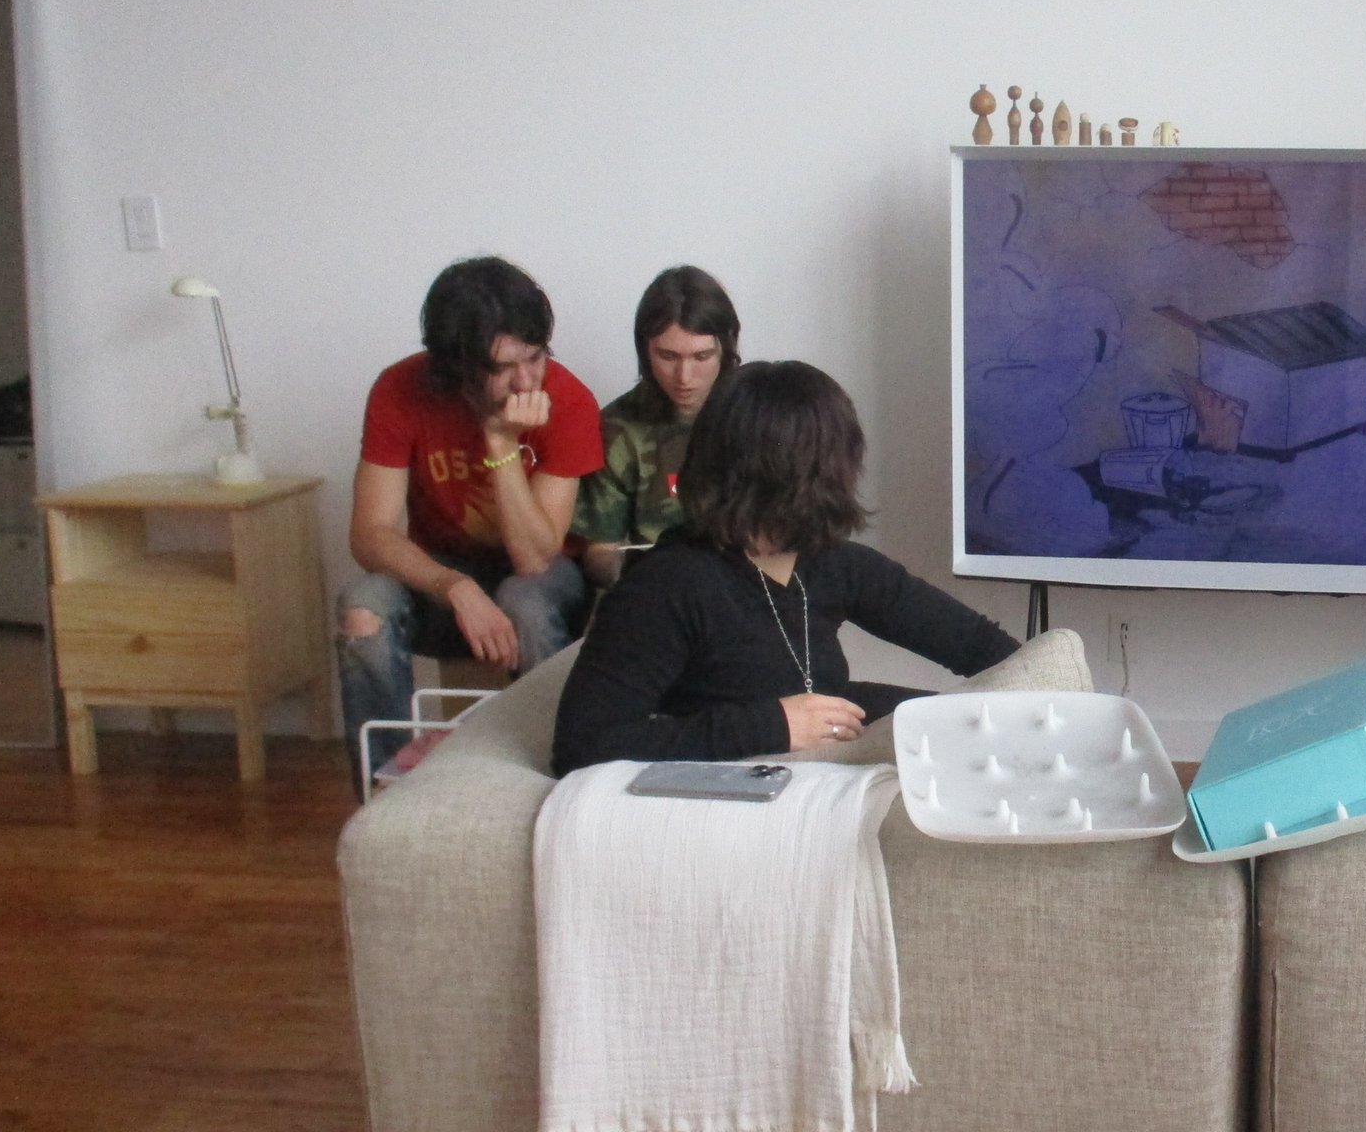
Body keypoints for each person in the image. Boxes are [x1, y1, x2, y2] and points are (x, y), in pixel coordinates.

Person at [553, 360, 1019, 772]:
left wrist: (1023, 710)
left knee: (962, 728)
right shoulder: (667, 586)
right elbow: (582, 744)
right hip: (742, 799)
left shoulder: (830, 561)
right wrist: (772, 725)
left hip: (826, 769)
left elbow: (983, 646)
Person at [338, 256, 603, 759]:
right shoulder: (399, 390)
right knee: (363, 608)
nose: (526, 382)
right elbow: (369, 535)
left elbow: (535, 559)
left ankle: (554, 770)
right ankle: (389, 786)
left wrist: (501, 441)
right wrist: (455, 587)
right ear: (455, 369)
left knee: (525, 599)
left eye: (535, 357)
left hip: (544, 580)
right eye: (502, 368)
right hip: (442, 573)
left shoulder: (568, 400)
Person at [572, 264, 739, 587]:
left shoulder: (758, 415)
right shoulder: (618, 428)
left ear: (725, 349)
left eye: (701, 357)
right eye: (668, 356)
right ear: (644, 352)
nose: (684, 377)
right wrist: (622, 571)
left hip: (743, 587)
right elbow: (600, 551)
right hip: (654, 587)